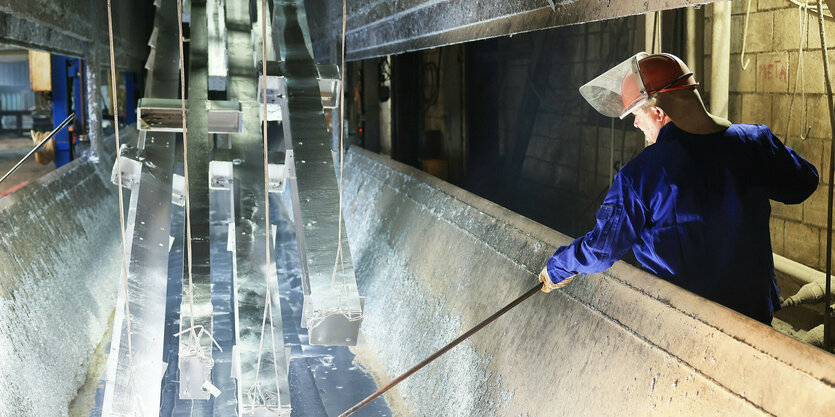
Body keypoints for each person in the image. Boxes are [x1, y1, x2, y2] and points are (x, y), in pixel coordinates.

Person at [538, 52, 819, 324]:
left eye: (637, 114)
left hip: (685, 325)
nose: (636, 123)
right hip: (754, 317)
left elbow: (601, 250)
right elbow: (804, 183)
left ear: (659, 112)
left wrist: (556, 268)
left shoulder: (640, 175)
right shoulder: (756, 142)